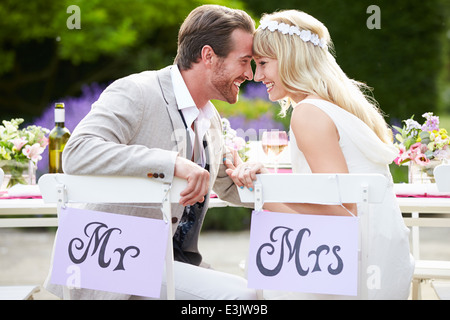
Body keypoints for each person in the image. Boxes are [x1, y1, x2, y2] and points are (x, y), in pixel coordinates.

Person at [44, 4, 258, 300]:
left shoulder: (211, 120)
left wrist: (253, 178)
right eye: (244, 61)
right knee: (242, 298)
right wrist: (172, 164)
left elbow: (225, 184)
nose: (250, 74)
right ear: (208, 56)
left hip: (163, 264)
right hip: (107, 262)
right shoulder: (137, 91)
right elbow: (77, 152)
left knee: (257, 292)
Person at [226, 10, 414, 299]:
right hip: (383, 257)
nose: (257, 75)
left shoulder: (309, 113)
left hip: (351, 267)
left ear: (292, 59)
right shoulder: (339, 107)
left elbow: (340, 213)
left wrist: (263, 190)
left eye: (263, 63)